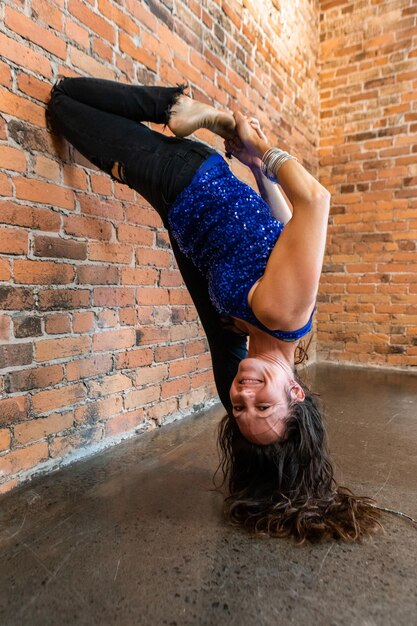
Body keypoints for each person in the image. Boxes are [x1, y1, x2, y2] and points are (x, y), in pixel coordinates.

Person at [46, 78, 381, 542]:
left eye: (242, 407)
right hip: (188, 180)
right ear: (297, 394)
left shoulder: (262, 339)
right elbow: (315, 202)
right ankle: (178, 105)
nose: (244, 393)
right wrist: (257, 147)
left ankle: (181, 109)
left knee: (225, 356)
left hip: (181, 201)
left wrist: (258, 173)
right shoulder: (282, 313)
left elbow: (282, 229)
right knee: (63, 105)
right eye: (261, 403)